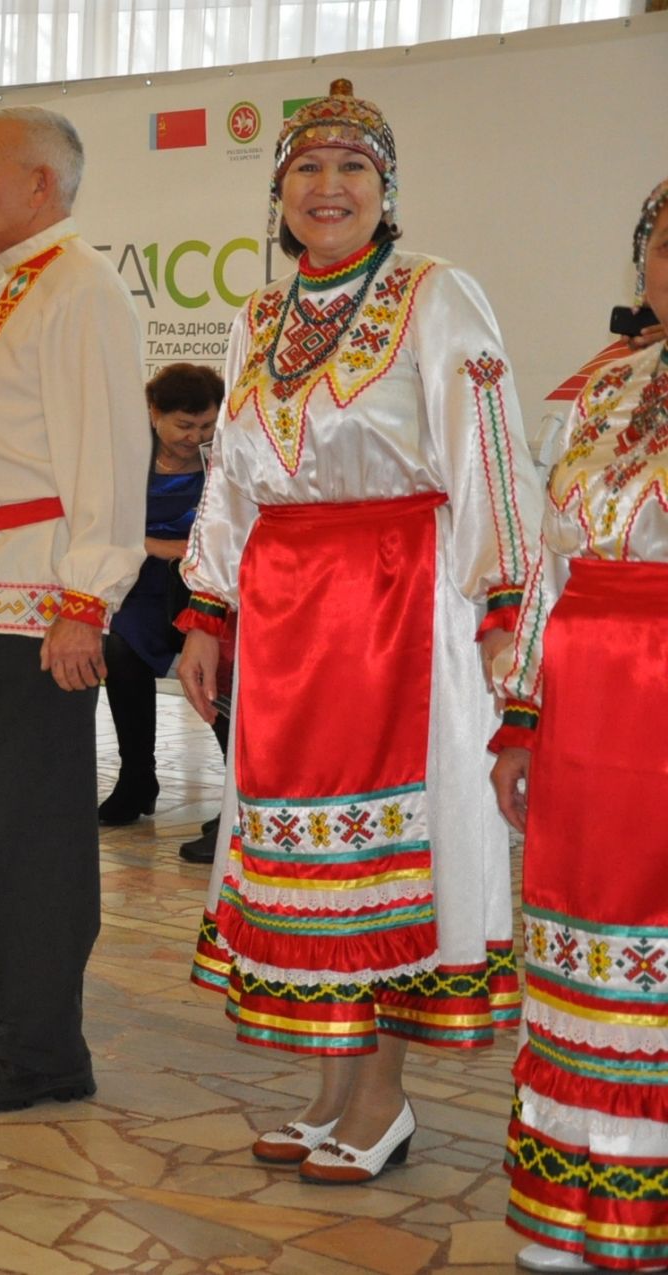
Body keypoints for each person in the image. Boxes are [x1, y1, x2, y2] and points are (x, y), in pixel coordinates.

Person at [175, 81, 541, 1183]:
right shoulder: (256, 319)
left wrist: (505, 610)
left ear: (387, 192)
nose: (328, 189)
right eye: (306, 170)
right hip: (289, 617)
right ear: (277, 192)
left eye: (353, 171)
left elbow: (486, 451)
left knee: (388, 849)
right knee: (300, 851)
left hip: (401, 606)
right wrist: (207, 606)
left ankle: (381, 1099)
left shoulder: (436, 296)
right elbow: (231, 477)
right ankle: (330, 1083)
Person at [0, 107, 148, 1110]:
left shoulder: (81, 288)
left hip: (39, 606)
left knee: (38, 832)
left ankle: (47, 1049)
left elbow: (105, 457)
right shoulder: (19, 285)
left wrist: (87, 602)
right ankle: (6, 1015)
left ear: (39, 184)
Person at [492, 177, 668, 1274]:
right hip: (591, 704)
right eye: (664, 240)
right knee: (580, 938)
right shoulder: (605, 388)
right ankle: (579, 1192)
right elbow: (546, 566)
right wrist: (523, 715)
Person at [97, 363, 231, 864]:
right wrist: (163, 546)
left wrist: (185, 553)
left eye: (205, 426)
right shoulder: (128, 455)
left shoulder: (226, 457)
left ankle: (237, 800)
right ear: (153, 414)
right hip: (144, 588)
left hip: (210, 589)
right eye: (184, 426)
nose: (194, 436)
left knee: (221, 673)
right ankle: (137, 779)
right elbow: (106, 524)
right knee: (120, 651)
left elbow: (238, 525)